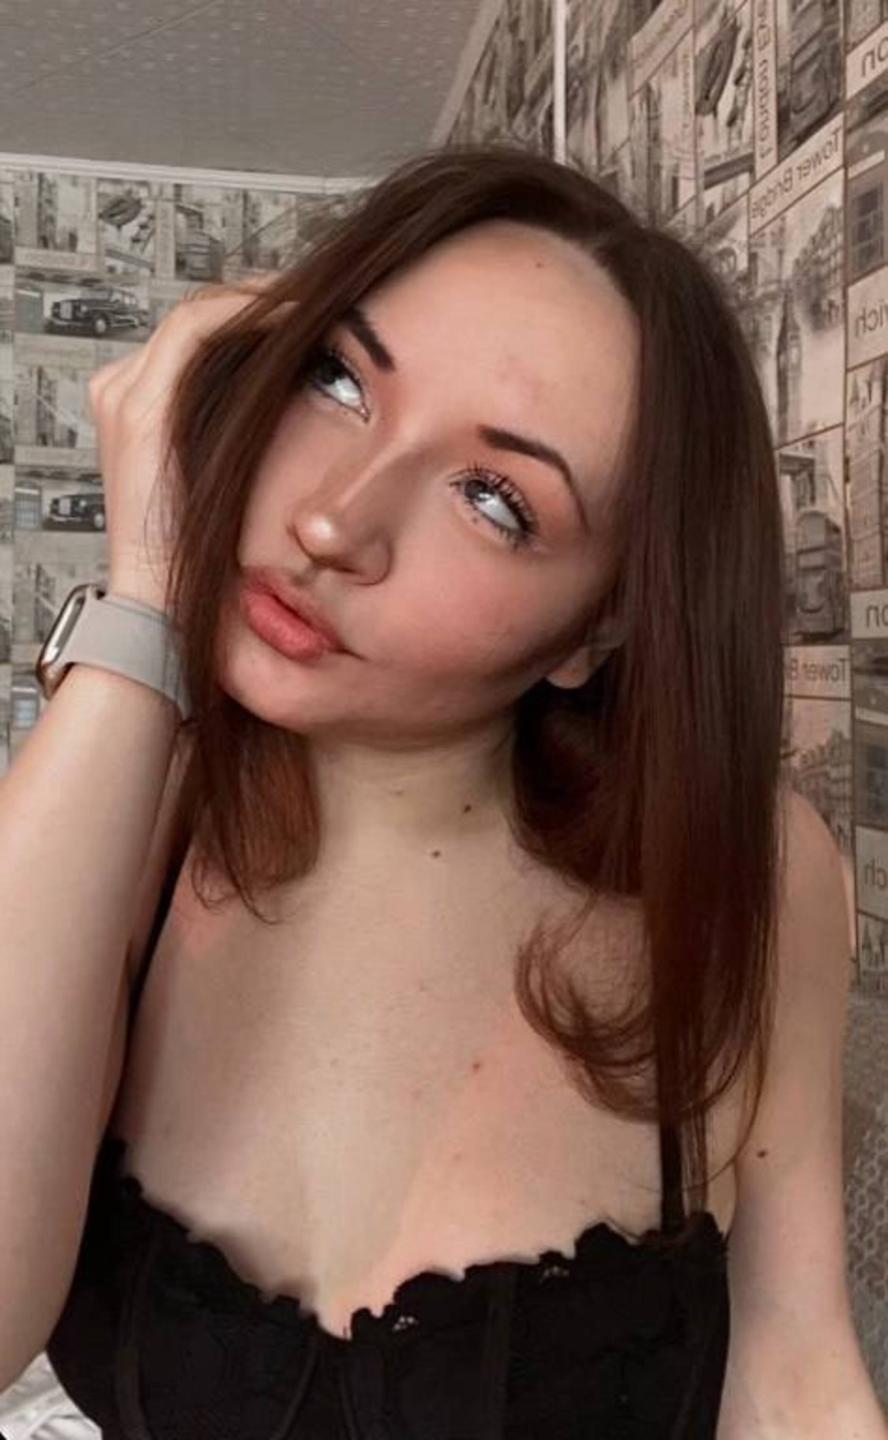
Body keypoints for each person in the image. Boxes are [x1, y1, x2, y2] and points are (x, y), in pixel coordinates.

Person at [0, 143, 883, 1439]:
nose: (333, 523)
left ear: (599, 626)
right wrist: (143, 612)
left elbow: (795, 1371)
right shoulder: (137, 808)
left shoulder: (747, 871)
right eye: (336, 379)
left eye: (495, 499)